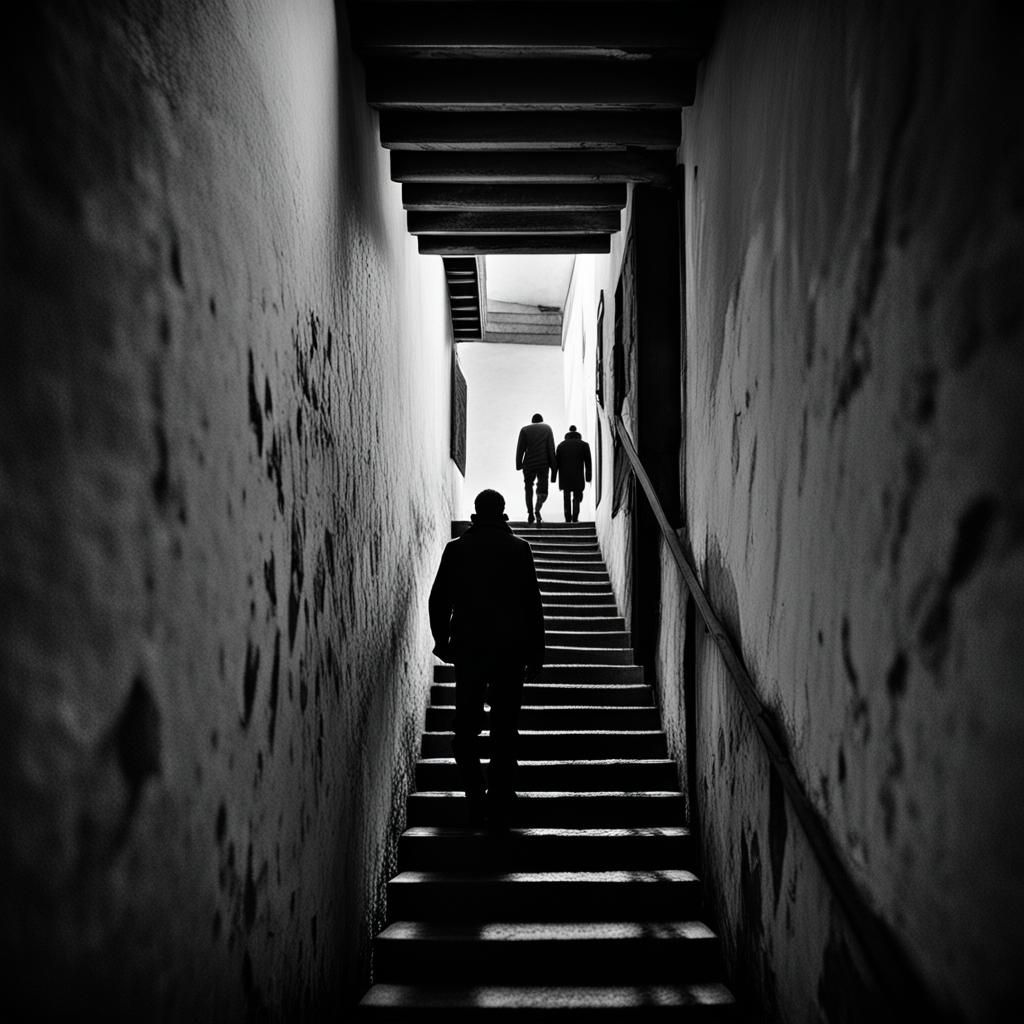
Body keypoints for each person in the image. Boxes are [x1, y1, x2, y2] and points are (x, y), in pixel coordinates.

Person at [428, 489, 545, 831]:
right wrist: (536, 652)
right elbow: (532, 604)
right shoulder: (519, 549)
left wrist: (442, 641)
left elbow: (438, 599)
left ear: (476, 513)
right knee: (505, 729)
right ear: (504, 511)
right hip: (511, 650)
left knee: (465, 730)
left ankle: (475, 796)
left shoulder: (457, 549)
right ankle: (500, 797)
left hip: (469, 648)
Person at [515, 412, 557, 523]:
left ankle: (530, 513)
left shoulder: (524, 430)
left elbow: (520, 449)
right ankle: (537, 509)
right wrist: (554, 469)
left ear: (532, 421)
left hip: (528, 464)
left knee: (528, 488)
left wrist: (519, 464)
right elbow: (551, 449)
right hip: (543, 464)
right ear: (541, 420)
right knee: (542, 489)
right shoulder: (547, 429)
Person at [553, 424, 593, 523]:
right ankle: (575, 517)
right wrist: (588, 476)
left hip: (564, 476)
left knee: (566, 497)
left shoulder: (561, 446)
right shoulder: (584, 445)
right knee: (577, 496)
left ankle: (567, 518)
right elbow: (588, 462)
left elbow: (556, 463)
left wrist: (553, 477)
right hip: (578, 476)